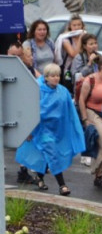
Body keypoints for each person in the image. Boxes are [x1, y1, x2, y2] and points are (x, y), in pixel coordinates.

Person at [16, 64, 84, 197]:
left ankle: (39, 177)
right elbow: (30, 110)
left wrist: (73, 129)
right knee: (53, 154)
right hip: (41, 130)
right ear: (46, 77)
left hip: (57, 129)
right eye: (53, 76)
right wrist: (28, 130)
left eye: (58, 75)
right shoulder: (37, 90)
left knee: (47, 154)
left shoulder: (63, 91)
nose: (56, 78)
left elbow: (69, 112)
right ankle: (62, 185)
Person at [77, 54, 102, 189]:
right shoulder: (90, 80)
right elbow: (81, 100)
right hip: (93, 113)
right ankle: (95, 170)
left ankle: (99, 176)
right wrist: (85, 118)